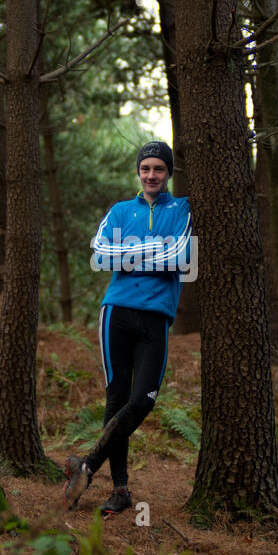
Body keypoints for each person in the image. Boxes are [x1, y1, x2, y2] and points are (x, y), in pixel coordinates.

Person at [63, 140, 193, 514]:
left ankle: (84, 467)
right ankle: (120, 491)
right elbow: (100, 255)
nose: (151, 175)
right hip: (116, 313)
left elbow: (181, 257)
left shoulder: (183, 209)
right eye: (145, 169)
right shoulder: (119, 211)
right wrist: (157, 250)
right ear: (139, 172)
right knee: (117, 399)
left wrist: (131, 254)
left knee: (143, 399)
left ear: (168, 173)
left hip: (157, 317)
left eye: (159, 169)